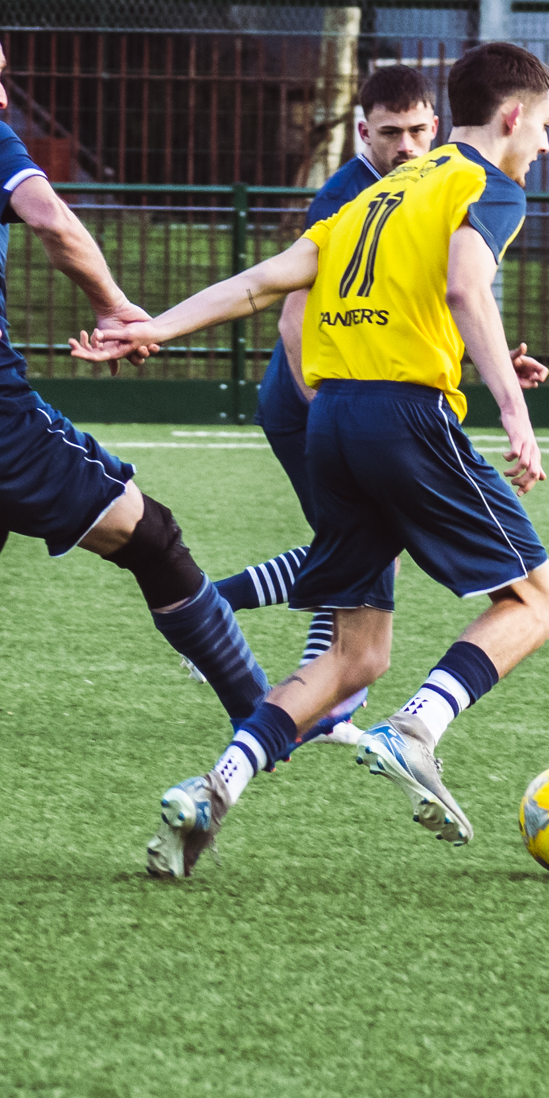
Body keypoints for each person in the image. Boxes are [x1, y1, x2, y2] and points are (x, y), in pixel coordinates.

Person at [74, 42, 549, 879]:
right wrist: (514, 413)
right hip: (403, 417)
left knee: (353, 656)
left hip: (332, 424)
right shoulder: (490, 184)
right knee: (537, 599)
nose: (547, 145)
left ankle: (212, 787)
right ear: (514, 116)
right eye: (547, 126)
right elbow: (462, 286)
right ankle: (416, 727)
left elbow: (267, 282)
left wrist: (153, 325)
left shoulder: (387, 189)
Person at [0, 11, 276, 877]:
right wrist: (114, 303)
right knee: (156, 538)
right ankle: (265, 718)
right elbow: (55, 221)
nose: (3, 91)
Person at [205, 66, 445, 722]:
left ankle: (225, 613)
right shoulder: (344, 196)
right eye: (390, 132)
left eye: (418, 130)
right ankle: (320, 686)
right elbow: (292, 318)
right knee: (363, 553)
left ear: (436, 126)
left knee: (359, 550)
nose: (406, 145)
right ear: (362, 131)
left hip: (352, 400)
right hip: (310, 405)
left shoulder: (423, 188)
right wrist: (329, 413)